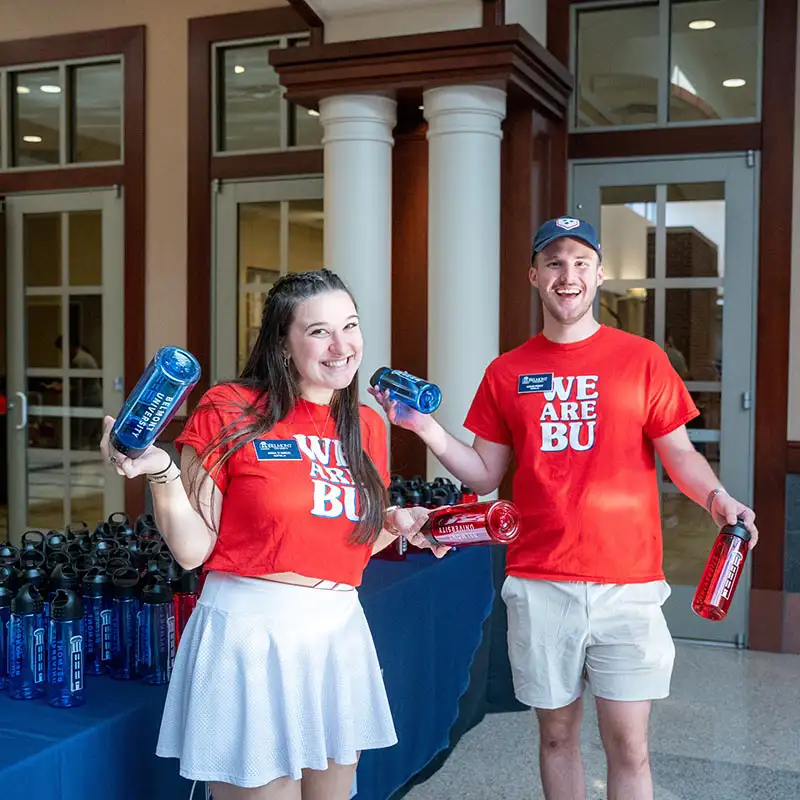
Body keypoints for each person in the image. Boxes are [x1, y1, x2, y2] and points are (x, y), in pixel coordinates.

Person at [371, 217, 758, 800]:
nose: (567, 274)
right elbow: (485, 473)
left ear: (599, 275)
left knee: (630, 746)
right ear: (535, 276)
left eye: (580, 262)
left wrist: (715, 496)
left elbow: (678, 453)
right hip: (540, 579)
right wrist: (424, 427)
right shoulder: (507, 372)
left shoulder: (643, 360)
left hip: (627, 582)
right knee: (556, 738)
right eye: (554, 262)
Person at [100, 269, 446, 800]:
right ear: (283, 344)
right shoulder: (230, 407)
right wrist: (161, 471)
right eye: (318, 331)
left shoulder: (366, 426)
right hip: (251, 634)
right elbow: (194, 549)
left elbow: (345, 536)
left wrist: (397, 526)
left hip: (336, 631)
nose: (342, 346)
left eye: (350, 326)